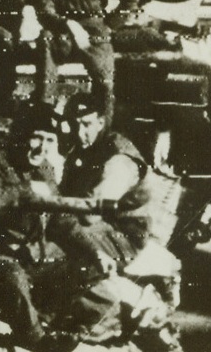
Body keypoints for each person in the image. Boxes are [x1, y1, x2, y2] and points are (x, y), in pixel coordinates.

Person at [0, 104, 80, 352]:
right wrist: (28, 193)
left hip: (30, 255)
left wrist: (91, 247)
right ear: (22, 135)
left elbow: (60, 217)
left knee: (81, 263)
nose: (42, 147)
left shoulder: (45, 169)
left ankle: (44, 319)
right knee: (12, 274)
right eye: (37, 137)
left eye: (49, 140)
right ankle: (35, 339)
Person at [51, 93, 155, 274]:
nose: (79, 133)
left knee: (55, 241)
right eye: (74, 124)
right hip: (97, 226)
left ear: (100, 123)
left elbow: (90, 215)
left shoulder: (118, 162)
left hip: (123, 239)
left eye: (87, 124)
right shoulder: (86, 147)